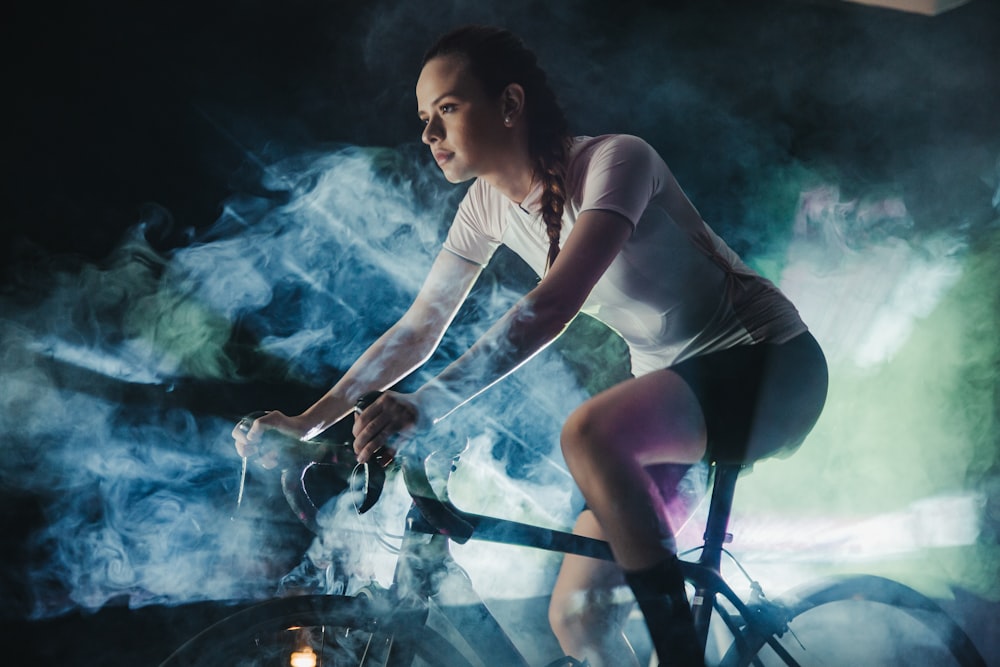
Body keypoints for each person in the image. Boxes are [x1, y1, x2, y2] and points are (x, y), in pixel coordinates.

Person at [232, 25, 828, 667]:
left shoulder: (616, 161)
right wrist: (307, 421)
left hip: (770, 367)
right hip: (675, 402)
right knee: (579, 619)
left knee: (590, 435)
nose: (429, 134)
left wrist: (424, 405)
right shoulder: (483, 208)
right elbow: (418, 329)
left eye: (448, 110)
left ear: (510, 105)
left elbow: (552, 305)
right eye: (424, 118)